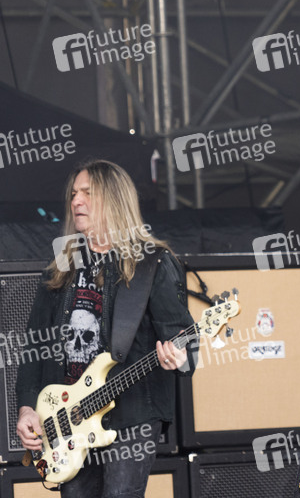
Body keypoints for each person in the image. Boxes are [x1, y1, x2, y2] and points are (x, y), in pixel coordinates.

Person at [15, 159, 195, 497]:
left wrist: (179, 356)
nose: (76, 201)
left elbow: (185, 339)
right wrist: (27, 408)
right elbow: (34, 348)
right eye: (73, 194)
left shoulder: (151, 263)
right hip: (70, 418)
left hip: (132, 417)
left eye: (87, 193)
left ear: (114, 199)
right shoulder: (62, 266)